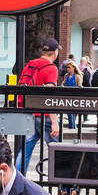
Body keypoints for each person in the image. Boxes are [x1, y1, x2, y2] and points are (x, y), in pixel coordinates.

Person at [16, 38, 61, 173]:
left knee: (24, 151)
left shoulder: (30, 64)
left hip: (28, 112)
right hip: (45, 116)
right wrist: (54, 121)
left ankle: (16, 182)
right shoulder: (51, 68)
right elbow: (48, 95)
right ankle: (66, 186)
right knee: (58, 150)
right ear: (55, 52)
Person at [61, 59, 80, 129]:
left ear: (73, 68)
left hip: (75, 96)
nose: (68, 69)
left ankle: (72, 126)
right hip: (67, 95)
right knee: (69, 112)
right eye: (67, 67)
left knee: (72, 112)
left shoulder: (77, 76)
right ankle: (72, 126)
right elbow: (63, 83)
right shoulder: (66, 75)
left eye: (69, 67)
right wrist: (62, 85)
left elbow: (80, 86)